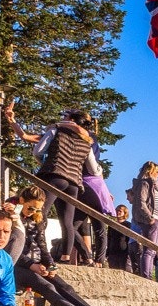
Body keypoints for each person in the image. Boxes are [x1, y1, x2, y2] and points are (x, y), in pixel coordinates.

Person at [13, 187, 127, 306]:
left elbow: (41, 245)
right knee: (47, 287)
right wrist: (31, 265)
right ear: (21, 200)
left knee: (65, 286)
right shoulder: (12, 218)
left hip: (35, 263)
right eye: (31, 208)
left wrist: (50, 265)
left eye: (38, 209)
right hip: (17, 265)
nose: (34, 212)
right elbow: (11, 250)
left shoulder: (38, 218)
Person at [6, 105, 95, 264]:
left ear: (72, 120)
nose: (63, 118)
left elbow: (36, 150)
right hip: (74, 182)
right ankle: (66, 258)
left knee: (39, 212)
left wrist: (47, 163)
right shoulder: (87, 141)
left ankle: (35, 249)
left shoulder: (56, 130)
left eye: (66, 115)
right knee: (67, 221)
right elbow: (92, 168)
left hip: (54, 175)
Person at [128, 162, 158, 279]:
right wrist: (150, 218)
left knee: (151, 250)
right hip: (151, 221)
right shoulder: (145, 183)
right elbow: (141, 202)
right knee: (150, 250)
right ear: (150, 171)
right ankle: (147, 276)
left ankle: (147, 275)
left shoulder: (152, 184)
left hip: (157, 220)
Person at [105, 205, 136, 271]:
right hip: (112, 254)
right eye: (116, 210)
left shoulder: (128, 225)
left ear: (125, 213)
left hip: (124, 253)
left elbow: (129, 239)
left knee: (126, 273)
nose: (117, 212)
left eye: (120, 211)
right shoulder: (111, 225)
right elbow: (109, 239)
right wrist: (107, 253)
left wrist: (129, 253)